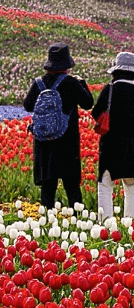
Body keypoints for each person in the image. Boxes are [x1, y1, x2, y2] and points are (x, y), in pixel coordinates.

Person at [23, 43, 94, 211]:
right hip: (67, 142)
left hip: (44, 142)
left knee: (48, 187)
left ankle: (46, 222)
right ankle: (77, 222)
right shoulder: (72, 83)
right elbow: (88, 103)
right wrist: (82, 83)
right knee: (72, 186)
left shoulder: (38, 83)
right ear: (67, 65)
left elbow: (27, 106)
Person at [92, 52, 134, 220]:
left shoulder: (109, 90)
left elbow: (96, 113)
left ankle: (106, 224)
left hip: (111, 143)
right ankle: (132, 225)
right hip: (133, 144)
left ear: (115, 72)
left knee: (105, 184)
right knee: (131, 185)